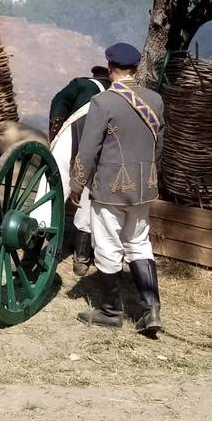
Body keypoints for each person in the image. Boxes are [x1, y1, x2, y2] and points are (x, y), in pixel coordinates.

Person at [70, 42, 167, 337]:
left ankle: (111, 312)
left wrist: (77, 183)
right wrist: (151, 178)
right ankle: (150, 310)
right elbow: (159, 147)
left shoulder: (104, 103)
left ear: (110, 69)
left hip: (110, 187)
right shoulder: (155, 100)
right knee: (139, 243)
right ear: (135, 68)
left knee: (108, 246)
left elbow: (88, 150)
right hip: (143, 186)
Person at [49, 63, 111, 273]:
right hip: (99, 151)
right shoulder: (116, 95)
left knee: (53, 190)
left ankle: (40, 251)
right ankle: (81, 258)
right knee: (87, 200)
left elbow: (58, 103)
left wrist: (54, 130)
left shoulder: (82, 84)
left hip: (72, 140)